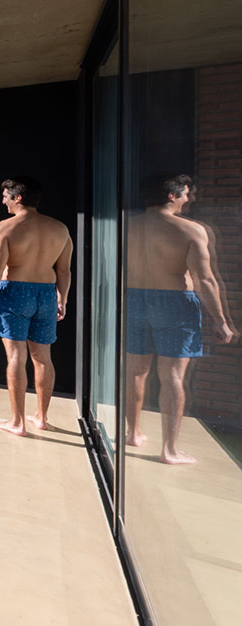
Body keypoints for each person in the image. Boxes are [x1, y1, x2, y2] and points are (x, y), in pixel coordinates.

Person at [124, 174, 234, 465]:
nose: (190, 199)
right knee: (172, 376)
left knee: (136, 370)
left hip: (134, 298)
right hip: (174, 302)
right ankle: (169, 450)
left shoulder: (127, 226)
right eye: (186, 193)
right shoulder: (190, 230)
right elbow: (205, 280)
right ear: (172, 196)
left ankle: (132, 433)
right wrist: (220, 320)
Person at [0, 177, 73, 437]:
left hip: (15, 292)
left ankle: (17, 423)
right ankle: (41, 417)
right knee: (43, 358)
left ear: (18, 198)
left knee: (16, 357)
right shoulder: (60, 229)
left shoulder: (5, 228)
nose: (2, 200)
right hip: (46, 294)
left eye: (6, 195)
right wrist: (62, 298)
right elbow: (64, 270)